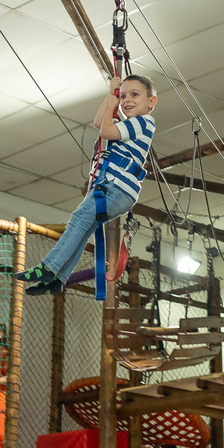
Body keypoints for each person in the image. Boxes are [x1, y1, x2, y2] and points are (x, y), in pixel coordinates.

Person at [16, 74, 157, 295]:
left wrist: (114, 100)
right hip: (113, 189)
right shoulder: (129, 125)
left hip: (116, 187)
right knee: (83, 228)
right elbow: (100, 122)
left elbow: (106, 131)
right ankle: (58, 278)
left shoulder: (143, 123)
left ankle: (50, 268)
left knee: (79, 221)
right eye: (124, 96)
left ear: (151, 102)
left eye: (135, 95)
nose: (127, 100)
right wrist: (111, 95)